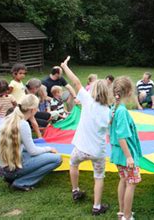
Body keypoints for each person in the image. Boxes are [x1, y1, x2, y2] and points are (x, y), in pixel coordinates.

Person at [60, 56, 111, 215]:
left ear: (94, 90)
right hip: (97, 151)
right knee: (98, 177)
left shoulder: (87, 100)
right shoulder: (108, 111)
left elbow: (75, 82)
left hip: (81, 148)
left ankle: (75, 190)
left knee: (73, 164)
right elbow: (109, 131)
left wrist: (65, 66)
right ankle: (96, 206)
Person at [0, 94, 62, 191]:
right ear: (33, 110)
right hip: (10, 169)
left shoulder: (7, 119)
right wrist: (49, 149)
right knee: (57, 158)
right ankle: (22, 182)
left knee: (33, 152)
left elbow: (21, 147)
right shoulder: (23, 124)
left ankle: (12, 177)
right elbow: (33, 151)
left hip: (0, 167)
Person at [110, 76, 143, 220]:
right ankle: (127, 216)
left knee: (124, 180)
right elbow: (121, 136)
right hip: (125, 154)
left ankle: (122, 212)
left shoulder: (115, 108)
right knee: (131, 183)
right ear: (129, 92)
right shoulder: (122, 111)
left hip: (119, 153)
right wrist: (129, 157)